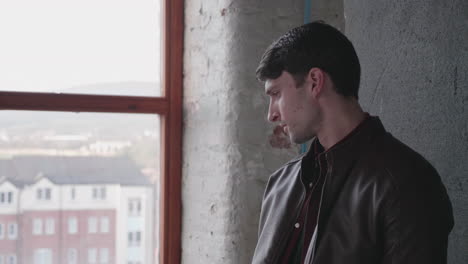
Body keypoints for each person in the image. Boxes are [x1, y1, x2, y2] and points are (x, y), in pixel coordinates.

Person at [252, 21, 454, 264]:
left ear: (315, 82)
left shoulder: (406, 182)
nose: (271, 114)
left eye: (276, 94)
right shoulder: (280, 185)